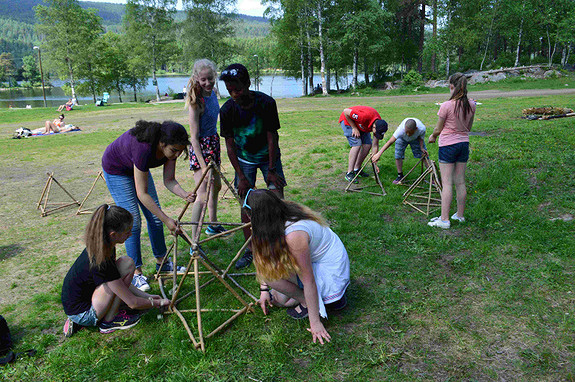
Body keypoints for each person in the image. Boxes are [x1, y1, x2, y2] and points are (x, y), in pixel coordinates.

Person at [102, 120, 196, 292]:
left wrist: (185, 194)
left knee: (155, 218)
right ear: (162, 143)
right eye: (174, 151)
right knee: (133, 222)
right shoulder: (144, 148)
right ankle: (136, 273)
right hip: (117, 170)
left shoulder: (171, 150)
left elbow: (169, 180)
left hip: (137, 167)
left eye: (180, 151)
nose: (176, 155)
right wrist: (167, 219)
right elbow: (142, 194)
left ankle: (163, 263)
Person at [246, 189, 350, 345]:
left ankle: (314, 302)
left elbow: (308, 280)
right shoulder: (281, 212)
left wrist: (314, 322)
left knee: (275, 284)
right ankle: (317, 301)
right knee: (279, 296)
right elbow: (267, 260)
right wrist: (263, 290)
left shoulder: (294, 235)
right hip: (317, 262)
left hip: (330, 270)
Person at [61, 205, 171, 337]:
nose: (130, 234)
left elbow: (119, 284)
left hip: (82, 302)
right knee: (124, 271)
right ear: (113, 234)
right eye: (127, 231)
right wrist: (157, 303)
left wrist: (148, 297)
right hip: (84, 313)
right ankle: (109, 321)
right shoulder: (101, 260)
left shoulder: (105, 244)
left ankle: (92, 316)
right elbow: (132, 303)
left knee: (126, 263)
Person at [219, 63, 287, 269]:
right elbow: (229, 146)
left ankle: (279, 246)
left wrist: (273, 170)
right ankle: (251, 250)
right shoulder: (227, 110)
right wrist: (241, 176)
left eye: (237, 89)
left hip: (269, 158)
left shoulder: (266, 103)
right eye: (229, 90)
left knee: (277, 200)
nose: (234, 94)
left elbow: (272, 137)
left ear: (248, 84)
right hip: (243, 160)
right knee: (246, 203)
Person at [427, 73, 476, 229]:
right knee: (460, 181)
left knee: (446, 183)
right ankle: (460, 215)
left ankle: (444, 219)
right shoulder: (471, 104)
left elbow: (438, 128)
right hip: (463, 144)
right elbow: (468, 127)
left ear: (451, 86)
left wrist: (433, 136)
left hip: (448, 145)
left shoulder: (446, 105)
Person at [185, 59, 226, 238]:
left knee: (216, 186)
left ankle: (213, 224)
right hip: (200, 148)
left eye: (210, 78)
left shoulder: (213, 92)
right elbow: (193, 138)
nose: (208, 83)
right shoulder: (195, 102)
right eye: (203, 80)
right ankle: (194, 240)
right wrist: (203, 167)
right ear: (196, 78)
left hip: (213, 144)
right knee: (201, 195)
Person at [371, 118, 429, 184]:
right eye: (406, 131)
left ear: (416, 129)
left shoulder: (422, 129)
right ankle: (400, 175)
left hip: (415, 139)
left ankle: (432, 175)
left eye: (410, 132)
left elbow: (421, 138)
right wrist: (379, 154)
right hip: (402, 138)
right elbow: (390, 142)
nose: (408, 134)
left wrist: (421, 148)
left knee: (424, 154)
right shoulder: (400, 130)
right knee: (398, 155)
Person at [339, 106, 388, 183]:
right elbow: (345, 111)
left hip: (361, 124)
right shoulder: (363, 117)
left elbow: (375, 145)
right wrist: (354, 128)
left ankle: (357, 169)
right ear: (374, 127)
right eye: (376, 133)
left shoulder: (379, 126)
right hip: (348, 121)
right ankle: (349, 173)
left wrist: (374, 163)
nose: (376, 134)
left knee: (368, 145)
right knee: (357, 144)